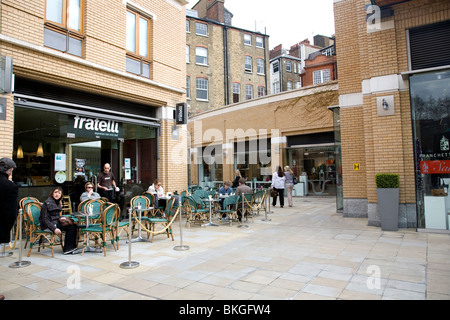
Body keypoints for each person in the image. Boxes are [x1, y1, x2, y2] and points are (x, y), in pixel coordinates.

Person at [39, 187, 78, 255]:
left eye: (59, 193)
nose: (57, 194)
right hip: (49, 225)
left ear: (61, 195)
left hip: (55, 222)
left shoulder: (57, 202)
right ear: (52, 193)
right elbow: (45, 219)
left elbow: (55, 216)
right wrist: (54, 229)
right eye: (55, 192)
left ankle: (72, 247)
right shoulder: (47, 203)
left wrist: (61, 218)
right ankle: (67, 248)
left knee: (74, 225)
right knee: (70, 228)